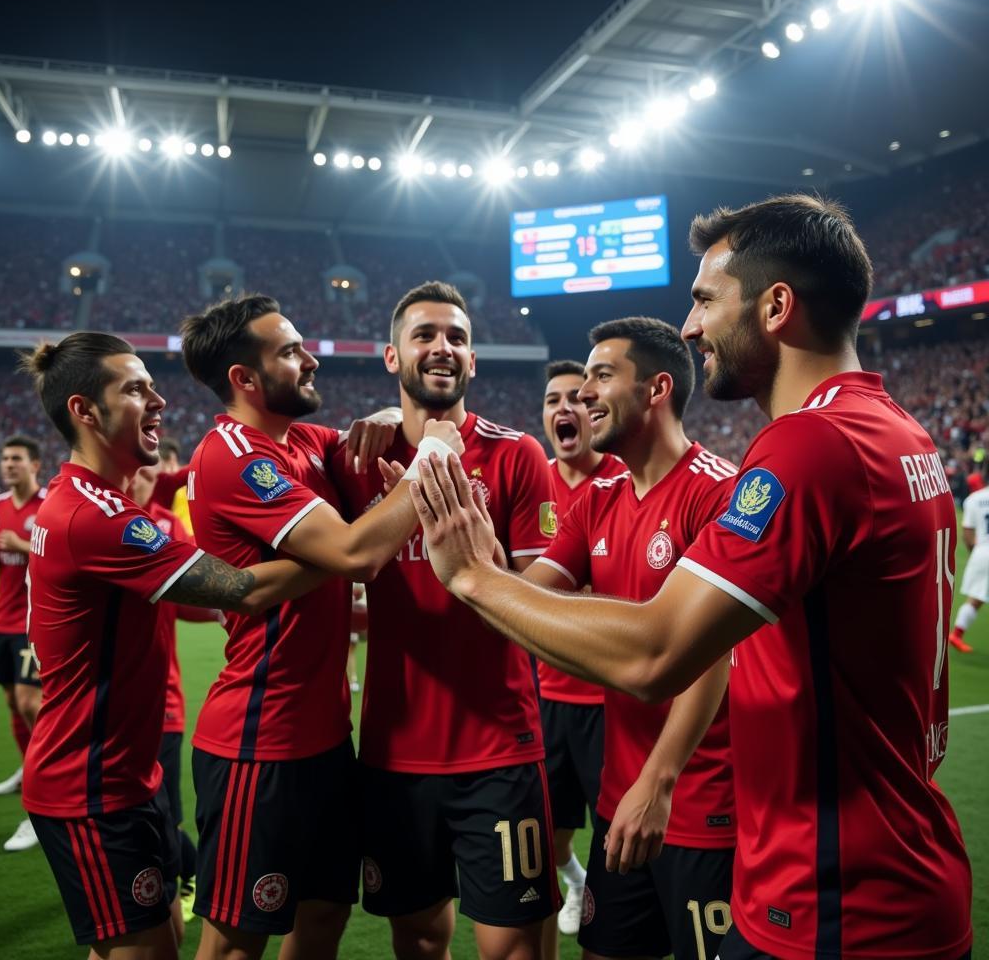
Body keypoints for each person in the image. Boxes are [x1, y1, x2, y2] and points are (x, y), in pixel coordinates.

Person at [408, 195, 973, 960]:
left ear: (776, 306)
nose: (690, 325)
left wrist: (474, 576)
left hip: (839, 901)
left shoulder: (811, 446)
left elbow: (657, 654)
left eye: (706, 299)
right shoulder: (896, 431)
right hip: (871, 870)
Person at [20, 332, 333, 960]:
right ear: (84, 411)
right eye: (135, 389)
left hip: (131, 777)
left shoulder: (94, 503)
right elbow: (242, 589)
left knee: (160, 936)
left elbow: (191, 601)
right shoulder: (96, 518)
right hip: (89, 789)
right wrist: (347, 551)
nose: (159, 400)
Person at [179, 293, 462, 960]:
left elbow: (387, 442)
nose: (311, 359)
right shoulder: (234, 457)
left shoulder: (303, 440)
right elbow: (358, 554)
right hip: (259, 741)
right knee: (235, 940)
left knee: (325, 914)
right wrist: (429, 461)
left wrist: (393, 412)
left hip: (328, 738)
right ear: (244, 379)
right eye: (290, 352)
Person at [332, 281, 559, 960]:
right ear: (391, 357)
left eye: (457, 337)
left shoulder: (517, 455)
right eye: (425, 335)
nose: (443, 348)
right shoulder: (358, 461)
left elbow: (538, 605)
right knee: (420, 941)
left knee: (511, 949)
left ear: (474, 361)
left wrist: (480, 555)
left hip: (501, 747)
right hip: (395, 751)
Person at [527, 323, 737, 960]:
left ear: (657, 389)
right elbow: (534, 597)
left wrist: (660, 781)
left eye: (600, 376)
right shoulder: (599, 495)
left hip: (698, 801)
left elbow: (712, 654)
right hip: (621, 797)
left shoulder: (717, 491)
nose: (582, 394)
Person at [537, 360, 626, 942]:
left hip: (612, 699)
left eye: (577, 397)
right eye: (552, 401)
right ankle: (575, 882)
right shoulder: (530, 478)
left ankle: (606, 913)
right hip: (542, 695)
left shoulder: (625, 478)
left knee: (616, 834)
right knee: (549, 837)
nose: (564, 408)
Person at [129, 462, 223, 922]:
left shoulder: (162, 528)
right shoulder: (107, 521)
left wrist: (224, 607)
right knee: (138, 816)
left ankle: (188, 877)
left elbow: (189, 594)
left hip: (160, 705)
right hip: (112, 710)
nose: (141, 478)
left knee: (165, 812)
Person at [0, 434, 45, 851]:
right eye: (4, 458)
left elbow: (54, 555)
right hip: (1, 621)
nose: (8, 464)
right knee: (11, 702)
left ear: (34, 465)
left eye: (16, 458)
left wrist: (22, 544)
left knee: (29, 702)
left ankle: (43, 798)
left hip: (30, 623)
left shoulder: (46, 508)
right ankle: (28, 766)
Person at [951, 482, 989, 652]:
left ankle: (956, 634)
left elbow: (967, 532)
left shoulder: (974, 499)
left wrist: (976, 553)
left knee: (976, 598)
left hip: (981, 552)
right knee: (976, 598)